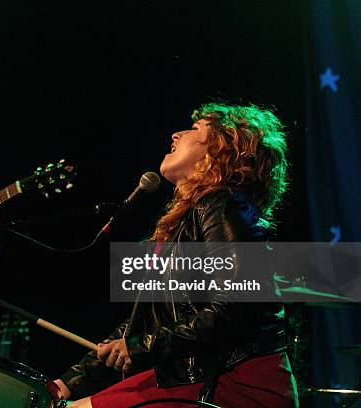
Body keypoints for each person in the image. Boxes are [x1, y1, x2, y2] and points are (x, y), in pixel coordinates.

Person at [54, 103, 298, 407]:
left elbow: (235, 306)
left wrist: (142, 348)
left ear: (223, 149)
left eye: (194, 129)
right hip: (199, 375)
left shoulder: (223, 205)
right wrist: (69, 381)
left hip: (237, 381)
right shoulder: (189, 220)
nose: (176, 134)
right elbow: (139, 326)